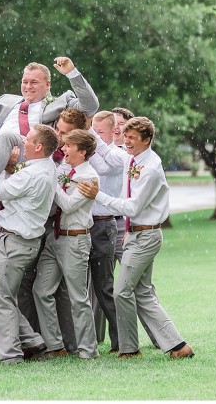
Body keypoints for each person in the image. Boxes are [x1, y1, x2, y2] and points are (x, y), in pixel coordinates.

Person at [77, 117, 194, 360]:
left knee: (121, 291)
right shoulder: (132, 158)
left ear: (147, 140)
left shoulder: (150, 167)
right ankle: (178, 347)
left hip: (147, 235)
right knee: (143, 293)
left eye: (132, 138)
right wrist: (87, 126)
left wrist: (99, 196)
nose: (126, 141)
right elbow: (107, 155)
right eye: (126, 136)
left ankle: (129, 349)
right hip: (135, 234)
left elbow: (132, 207)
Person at [0, 57, 99, 202]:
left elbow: (90, 106)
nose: (28, 86)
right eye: (25, 82)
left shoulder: (61, 103)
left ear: (48, 85)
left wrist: (72, 73)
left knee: (7, 136)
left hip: (32, 152)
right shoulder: (6, 101)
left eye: (34, 82)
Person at [0, 124, 60, 364]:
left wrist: (1, 169)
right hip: (22, 241)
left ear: (38, 146)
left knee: (0, 296)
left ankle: (11, 354)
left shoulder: (31, 173)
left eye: (28, 139)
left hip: (15, 241)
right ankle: (31, 339)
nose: (24, 142)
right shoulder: (47, 167)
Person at [33, 129, 100, 360]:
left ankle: (88, 350)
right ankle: (55, 345)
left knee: (78, 297)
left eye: (69, 146)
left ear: (82, 152)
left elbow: (70, 205)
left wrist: (50, 183)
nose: (63, 149)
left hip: (76, 239)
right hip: (55, 236)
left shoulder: (89, 177)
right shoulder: (63, 169)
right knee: (41, 290)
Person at [84, 110, 122, 352]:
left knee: (104, 288)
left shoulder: (118, 156)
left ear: (113, 131)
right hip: (82, 226)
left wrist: (87, 136)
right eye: (93, 131)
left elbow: (103, 168)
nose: (95, 137)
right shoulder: (88, 156)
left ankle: (121, 341)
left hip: (103, 224)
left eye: (99, 133)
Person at [110, 106, 135, 263]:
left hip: (123, 220)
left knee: (131, 269)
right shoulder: (97, 151)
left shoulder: (133, 154)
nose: (116, 127)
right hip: (101, 221)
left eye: (121, 123)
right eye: (113, 122)